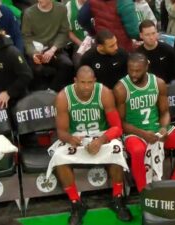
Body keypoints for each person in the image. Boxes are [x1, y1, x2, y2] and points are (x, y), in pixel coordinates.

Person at [49, 66, 132, 225]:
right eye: (82, 83)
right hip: (76, 138)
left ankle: (117, 198)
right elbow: (61, 132)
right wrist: (71, 139)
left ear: (95, 81)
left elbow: (117, 128)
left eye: (89, 83)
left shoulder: (104, 93)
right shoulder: (63, 97)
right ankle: (76, 203)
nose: (86, 87)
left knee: (117, 149)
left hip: (101, 136)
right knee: (59, 157)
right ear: (75, 81)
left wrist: (101, 140)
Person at [113, 52, 175, 192]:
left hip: (156, 129)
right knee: (137, 150)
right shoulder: (121, 89)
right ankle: (144, 193)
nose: (134, 74)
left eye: (138, 70)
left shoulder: (158, 83)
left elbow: (165, 112)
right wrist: (142, 133)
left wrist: (164, 128)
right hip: (134, 132)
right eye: (131, 70)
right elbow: (121, 123)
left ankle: (174, 183)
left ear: (146, 67)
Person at [21, 0, 73, 92]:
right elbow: (26, 37)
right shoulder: (29, 13)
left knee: (67, 65)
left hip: (54, 49)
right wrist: (34, 53)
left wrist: (53, 49)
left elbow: (64, 32)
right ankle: (37, 95)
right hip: (36, 50)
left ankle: (52, 91)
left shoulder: (61, 9)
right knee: (35, 69)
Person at [65, 0, 88, 66]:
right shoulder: (69, 6)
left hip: (96, 42)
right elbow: (68, 31)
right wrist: (81, 44)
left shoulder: (95, 3)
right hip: (79, 43)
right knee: (79, 62)